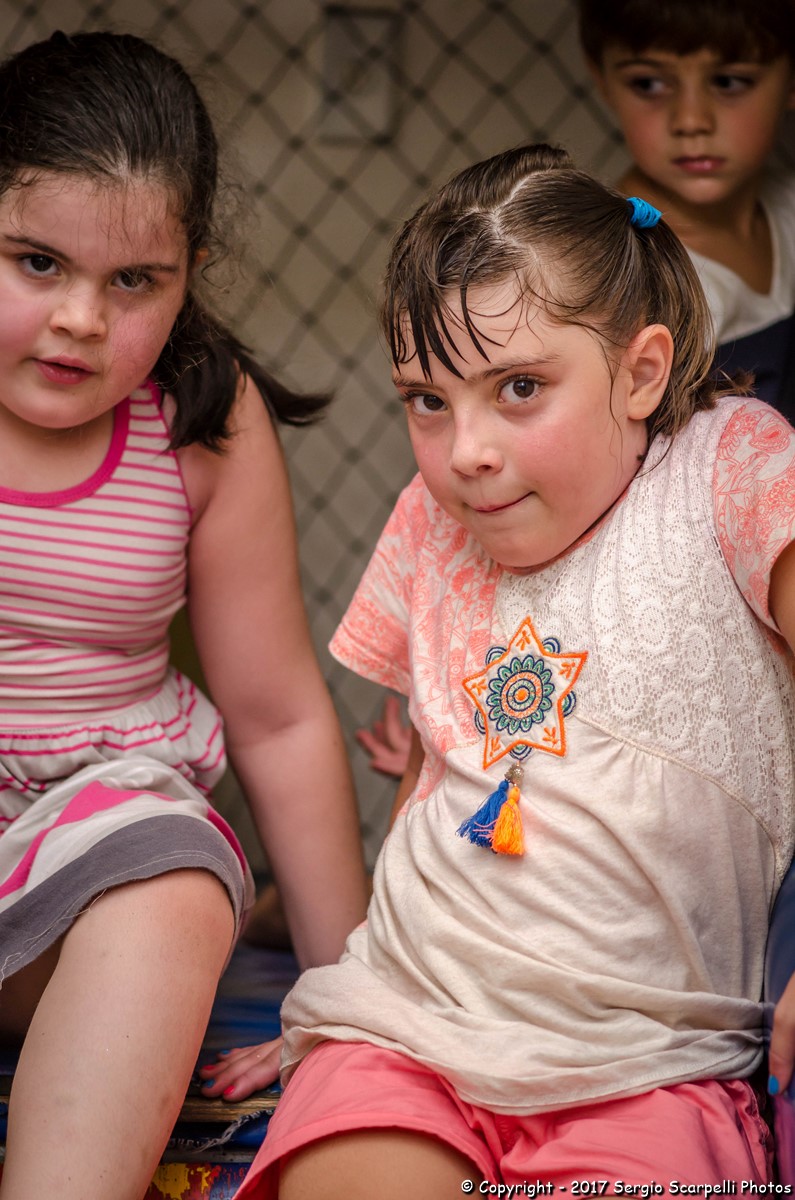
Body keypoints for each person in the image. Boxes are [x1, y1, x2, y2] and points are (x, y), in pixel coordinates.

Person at [205, 143, 795, 1196]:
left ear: (640, 373)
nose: (464, 450)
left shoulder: (729, 467)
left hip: (647, 1063)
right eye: (426, 400)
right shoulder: (432, 519)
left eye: (518, 387)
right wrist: (336, 1005)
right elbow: (447, 765)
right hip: (408, 1030)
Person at [0, 29, 368, 1200]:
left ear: (191, 271)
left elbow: (276, 716)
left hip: (91, 847)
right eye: (36, 262)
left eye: (134, 282)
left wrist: (346, 993)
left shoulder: (203, 421)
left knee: (173, 878)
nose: (79, 319)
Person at [578, 0, 795, 418]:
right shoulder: (613, 267)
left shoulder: (787, 207)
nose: (691, 120)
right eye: (648, 84)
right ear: (602, 78)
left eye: (729, 81)